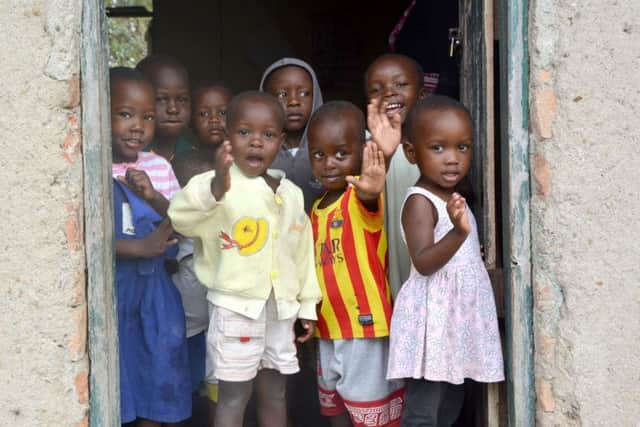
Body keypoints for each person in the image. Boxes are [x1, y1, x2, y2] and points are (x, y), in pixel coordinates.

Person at [168, 91, 322, 427]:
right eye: (244, 133)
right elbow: (180, 218)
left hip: (280, 311)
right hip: (235, 310)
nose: (255, 143)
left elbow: (302, 255)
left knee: (276, 393)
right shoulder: (216, 186)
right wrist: (217, 189)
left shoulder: (291, 194)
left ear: (280, 142)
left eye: (267, 135)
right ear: (227, 136)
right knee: (234, 397)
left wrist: (307, 306)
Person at [386, 96, 504, 426]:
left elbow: (456, 253)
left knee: (452, 402)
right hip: (432, 323)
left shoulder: (453, 197)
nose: (452, 159)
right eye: (438, 148)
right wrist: (458, 236)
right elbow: (424, 261)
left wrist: (468, 251)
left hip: (456, 319)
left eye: (462, 148)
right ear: (412, 153)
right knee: (425, 409)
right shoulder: (419, 201)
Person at [307, 101, 404, 427]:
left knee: (370, 414)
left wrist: (385, 157)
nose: (329, 163)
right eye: (319, 154)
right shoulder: (316, 208)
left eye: (340, 153)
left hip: (364, 330)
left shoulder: (359, 197)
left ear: (360, 153)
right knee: (334, 409)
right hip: (327, 328)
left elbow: (371, 187)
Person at [110, 67, 191, 426]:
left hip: (156, 291)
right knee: (120, 375)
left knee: (157, 375)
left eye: (146, 117)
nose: (137, 126)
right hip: (115, 292)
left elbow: (181, 220)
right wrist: (138, 247)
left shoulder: (157, 166)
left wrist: (153, 196)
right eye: (125, 114)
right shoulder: (91, 163)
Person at [364, 53, 427, 297]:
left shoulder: (434, 143)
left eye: (400, 85)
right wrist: (384, 151)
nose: (389, 93)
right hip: (384, 251)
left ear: (421, 96)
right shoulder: (364, 145)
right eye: (377, 89)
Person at [171, 150, 218, 426]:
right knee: (182, 384)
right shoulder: (175, 229)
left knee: (216, 384)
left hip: (214, 325)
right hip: (184, 329)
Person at [259, 57, 324, 212]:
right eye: (282, 94)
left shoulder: (332, 145)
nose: (294, 101)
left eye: (304, 93)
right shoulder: (255, 149)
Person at [137, 54, 193, 161]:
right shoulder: (130, 154)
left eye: (182, 99)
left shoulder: (192, 153)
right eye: (161, 99)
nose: (173, 109)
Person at [191, 82, 232, 152]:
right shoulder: (186, 158)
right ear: (192, 120)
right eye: (204, 114)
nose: (214, 119)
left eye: (223, 113)